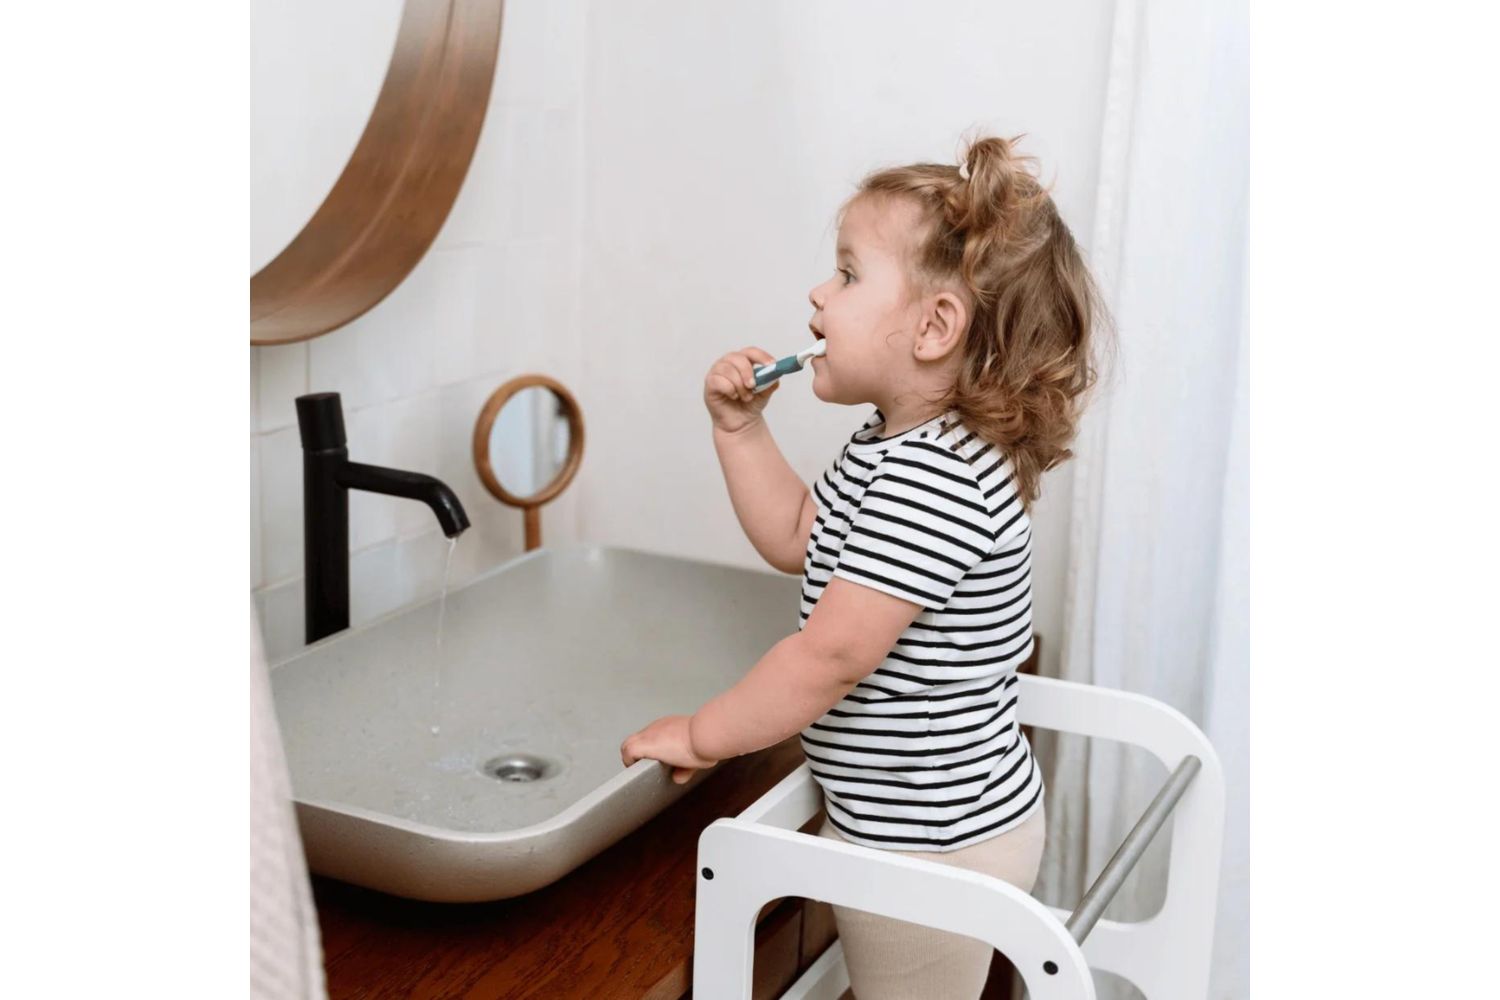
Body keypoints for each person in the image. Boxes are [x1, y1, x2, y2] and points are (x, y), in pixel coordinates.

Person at [621, 132, 1110, 999]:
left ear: (934, 328)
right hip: (915, 826)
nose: (818, 292)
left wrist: (704, 735)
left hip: (933, 847)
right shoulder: (895, 447)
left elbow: (833, 655)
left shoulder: (936, 478)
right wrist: (741, 430)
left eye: (847, 275)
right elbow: (797, 536)